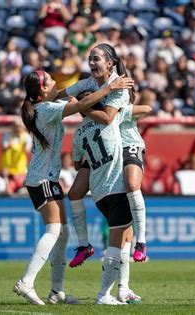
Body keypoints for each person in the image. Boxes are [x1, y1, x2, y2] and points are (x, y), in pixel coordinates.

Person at [12, 70, 134, 305]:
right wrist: (110, 87)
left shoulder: (44, 106)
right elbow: (83, 105)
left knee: (63, 232)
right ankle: (26, 282)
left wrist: (88, 84)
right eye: (50, 80)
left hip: (48, 178)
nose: (55, 82)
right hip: (42, 180)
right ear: (43, 90)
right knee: (54, 230)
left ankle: (57, 291)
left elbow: (76, 96)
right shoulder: (46, 110)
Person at [59, 43, 149, 267]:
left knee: (131, 184)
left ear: (110, 63)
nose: (91, 63)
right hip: (102, 145)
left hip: (126, 142)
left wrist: (80, 106)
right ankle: (83, 245)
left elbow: (108, 118)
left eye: (96, 59)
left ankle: (142, 242)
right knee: (75, 192)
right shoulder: (89, 83)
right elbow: (61, 95)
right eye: (90, 58)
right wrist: (41, 96)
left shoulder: (118, 84)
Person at [72, 89, 152, 305]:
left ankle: (123, 289)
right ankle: (103, 295)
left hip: (98, 193)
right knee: (117, 244)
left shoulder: (78, 132)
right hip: (116, 188)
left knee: (125, 237)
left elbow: (77, 164)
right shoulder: (112, 118)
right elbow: (147, 108)